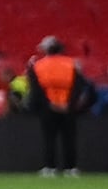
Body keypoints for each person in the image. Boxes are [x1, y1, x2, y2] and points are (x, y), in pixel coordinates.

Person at [22, 33, 87, 176]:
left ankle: (49, 167)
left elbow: (37, 89)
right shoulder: (72, 64)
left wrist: (49, 104)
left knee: (49, 138)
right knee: (69, 138)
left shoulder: (38, 66)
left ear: (46, 50)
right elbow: (79, 86)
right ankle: (71, 167)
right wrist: (68, 104)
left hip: (48, 108)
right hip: (67, 108)